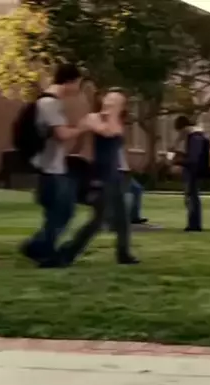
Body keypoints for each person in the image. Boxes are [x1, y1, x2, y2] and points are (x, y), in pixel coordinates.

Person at [57, 88, 139, 266]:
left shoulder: (118, 122)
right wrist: (112, 115)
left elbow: (116, 148)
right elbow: (106, 132)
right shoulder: (94, 118)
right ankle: (67, 253)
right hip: (100, 175)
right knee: (99, 219)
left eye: (116, 101)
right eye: (109, 99)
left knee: (122, 218)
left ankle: (124, 254)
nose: (111, 103)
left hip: (116, 175)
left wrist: (125, 169)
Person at [20, 64, 86, 267]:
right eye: (79, 83)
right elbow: (62, 134)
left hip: (53, 167)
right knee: (62, 213)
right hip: (50, 169)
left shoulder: (49, 102)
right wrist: (83, 127)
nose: (78, 88)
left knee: (59, 214)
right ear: (71, 81)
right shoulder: (49, 103)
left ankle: (40, 249)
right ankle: (39, 250)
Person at [172, 116, 210, 232]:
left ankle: (194, 225)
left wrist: (178, 161)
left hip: (194, 171)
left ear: (183, 128)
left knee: (192, 197)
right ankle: (193, 223)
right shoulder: (197, 136)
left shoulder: (195, 138)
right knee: (191, 197)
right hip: (195, 170)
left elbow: (193, 159)